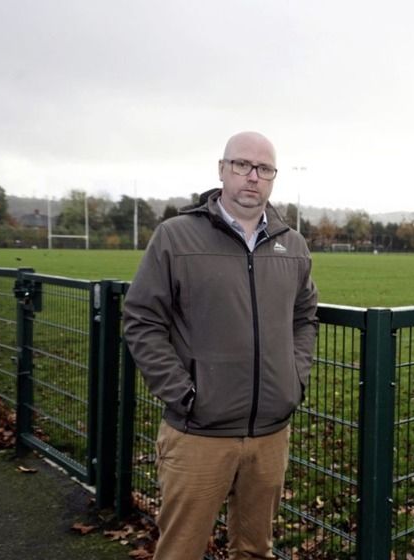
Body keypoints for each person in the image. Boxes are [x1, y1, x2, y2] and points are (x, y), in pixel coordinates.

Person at [123, 131, 319, 560]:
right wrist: (184, 393)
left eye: (263, 169)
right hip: (199, 432)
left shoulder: (295, 246)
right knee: (180, 550)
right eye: (242, 165)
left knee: (254, 550)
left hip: (270, 432)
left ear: (273, 177)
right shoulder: (176, 237)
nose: (253, 176)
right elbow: (141, 321)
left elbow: (304, 319)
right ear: (222, 169)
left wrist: (294, 379)